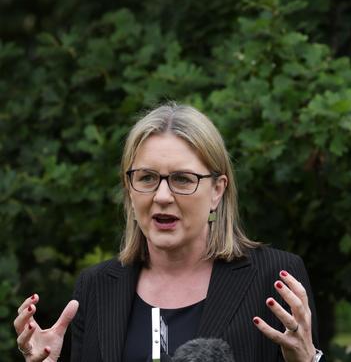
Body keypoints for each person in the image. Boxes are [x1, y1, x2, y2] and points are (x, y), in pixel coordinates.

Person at [13, 103, 322, 362]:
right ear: (130, 189)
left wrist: (307, 360)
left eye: (182, 179)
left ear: (217, 190)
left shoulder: (274, 280)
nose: (162, 196)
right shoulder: (95, 289)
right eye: (147, 178)